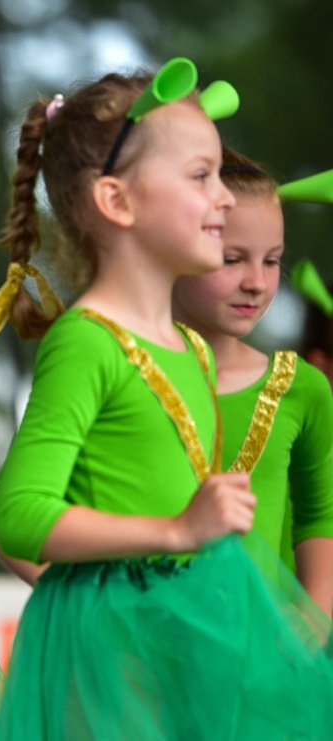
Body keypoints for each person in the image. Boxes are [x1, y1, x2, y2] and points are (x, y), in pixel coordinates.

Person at [0, 58, 333, 739]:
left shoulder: (191, 349)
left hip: (186, 642)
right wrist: (175, 531)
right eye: (200, 177)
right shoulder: (86, 341)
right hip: (111, 657)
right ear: (118, 201)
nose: (224, 199)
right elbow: (19, 517)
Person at [172, 147, 333, 613]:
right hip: (142, 665)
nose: (257, 283)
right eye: (233, 258)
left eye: (272, 261)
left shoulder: (303, 389)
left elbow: (319, 518)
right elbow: (7, 515)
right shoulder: (120, 371)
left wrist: (310, 633)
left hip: (268, 667)